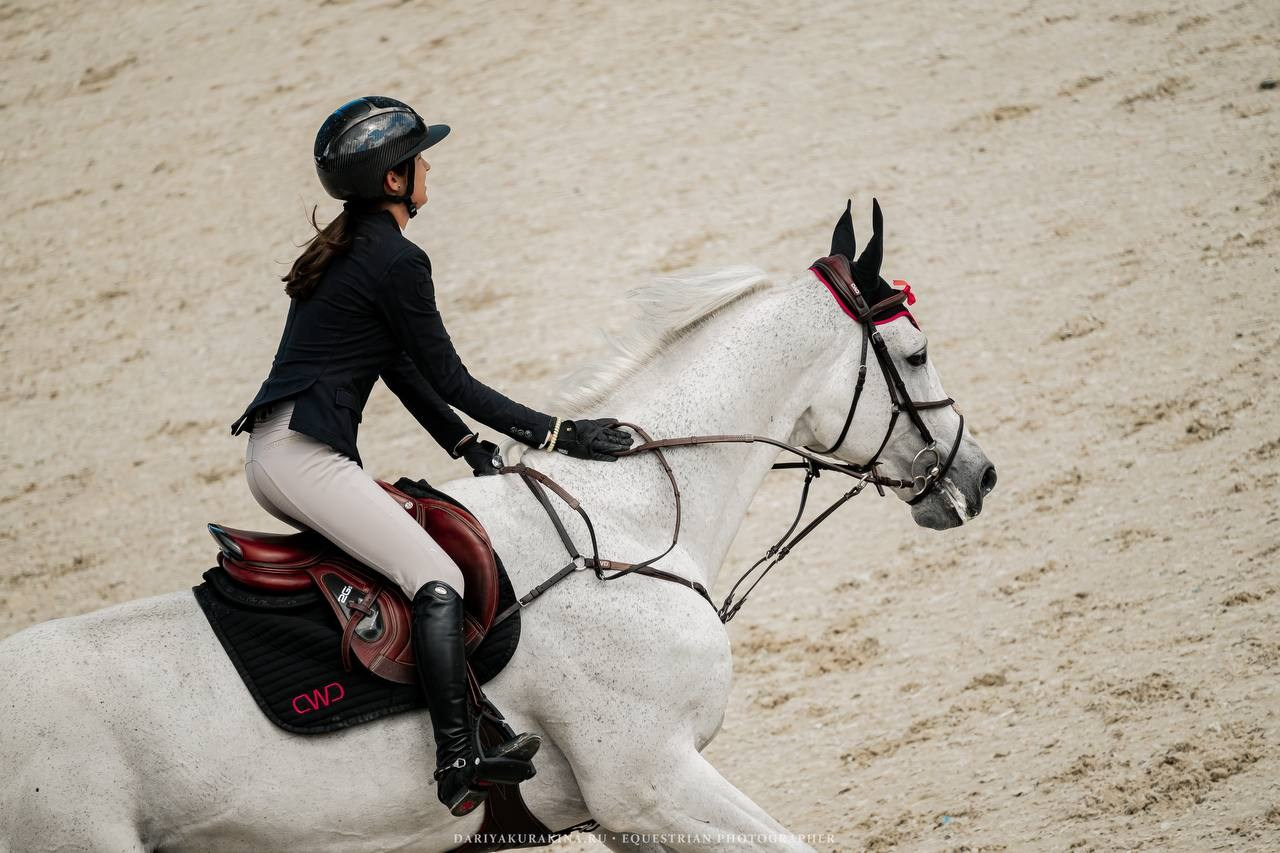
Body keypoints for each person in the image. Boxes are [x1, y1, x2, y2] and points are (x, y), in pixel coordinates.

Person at [229, 96, 633, 816]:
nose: (429, 167)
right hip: (301, 458)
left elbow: (397, 366)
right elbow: (453, 378)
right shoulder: (398, 258)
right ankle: (459, 753)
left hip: (282, 449)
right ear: (394, 181)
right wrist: (560, 433)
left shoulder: (355, 246)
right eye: (420, 158)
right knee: (435, 575)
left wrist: (466, 445)